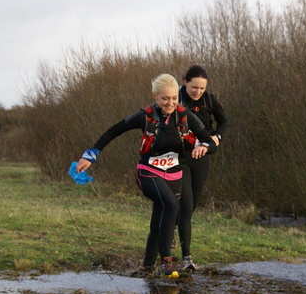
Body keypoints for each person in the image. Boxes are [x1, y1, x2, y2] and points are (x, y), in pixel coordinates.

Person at [76, 74, 217, 277]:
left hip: (174, 175)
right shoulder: (145, 116)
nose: (170, 103)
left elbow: (210, 143)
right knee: (171, 205)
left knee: (159, 220)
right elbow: (114, 131)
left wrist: (203, 147)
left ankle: (146, 266)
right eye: (164, 99)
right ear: (155, 96)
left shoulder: (185, 116)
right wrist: (91, 155)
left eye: (174, 99)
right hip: (148, 172)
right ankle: (166, 262)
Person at [175, 65, 229, 270]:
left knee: (190, 207)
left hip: (202, 155)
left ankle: (171, 229)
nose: (197, 92)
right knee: (186, 204)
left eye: (202, 88)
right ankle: (186, 257)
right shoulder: (176, 98)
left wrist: (215, 138)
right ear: (185, 82)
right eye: (194, 87)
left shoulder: (209, 100)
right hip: (179, 157)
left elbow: (224, 123)